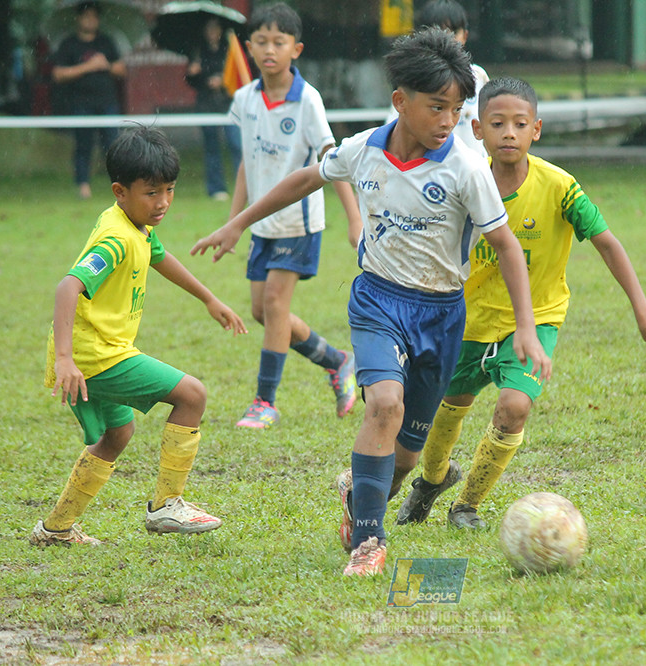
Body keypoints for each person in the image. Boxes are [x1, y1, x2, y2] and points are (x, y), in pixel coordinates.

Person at [191, 28, 551, 575]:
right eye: (436, 108)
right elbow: (307, 179)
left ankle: (362, 495)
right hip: (379, 300)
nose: (448, 121)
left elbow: (504, 245)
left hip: (442, 313)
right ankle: (369, 540)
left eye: (456, 109)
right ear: (400, 102)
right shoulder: (364, 149)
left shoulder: (466, 167)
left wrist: (526, 328)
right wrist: (236, 223)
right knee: (384, 402)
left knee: (407, 453)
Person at [394, 77, 646, 529]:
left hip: (536, 319)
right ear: (477, 128)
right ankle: (431, 481)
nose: (509, 132)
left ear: (536, 130)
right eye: (498, 123)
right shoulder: (462, 181)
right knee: (448, 406)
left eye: (520, 124)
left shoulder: (560, 187)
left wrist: (643, 311)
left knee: (515, 406)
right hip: (467, 319)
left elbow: (608, 244)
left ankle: (467, 505)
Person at [29, 125, 248, 547]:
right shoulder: (116, 238)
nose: (163, 202)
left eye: (169, 189)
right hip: (96, 355)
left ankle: (55, 528)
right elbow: (67, 286)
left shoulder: (135, 226)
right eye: (152, 192)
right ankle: (168, 504)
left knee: (119, 434)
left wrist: (209, 299)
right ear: (120, 190)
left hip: (98, 351)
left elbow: (159, 257)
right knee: (192, 395)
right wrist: (65, 359)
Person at [208, 3, 362, 430]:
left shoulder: (308, 99)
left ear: (296, 49)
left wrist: (354, 220)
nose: (269, 49)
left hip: (299, 221)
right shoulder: (244, 99)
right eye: (261, 41)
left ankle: (265, 401)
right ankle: (336, 360)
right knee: (262, 311)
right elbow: (246, 164)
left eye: (279, 42)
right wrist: (233, 222)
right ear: (249, 47)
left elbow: (333, 160)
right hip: (263, 224)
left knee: (275, 304)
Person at [385, 0, 488, 156]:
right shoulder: (416, 79)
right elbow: (395, 128)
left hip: (473, 171)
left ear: (465, 36)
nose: (445, 38)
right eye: (437, 31)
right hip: (433, 171)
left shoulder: (478, 76)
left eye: (452, 32)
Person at [52, 1, 127, 200]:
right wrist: (87, 67)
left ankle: (120, 187)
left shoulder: (106, 42)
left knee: (113, 146)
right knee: (83, 145)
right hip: (81, 103)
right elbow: (58, 74)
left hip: (107, 102)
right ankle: (83, 185)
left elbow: (121, 70)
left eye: (94, 16)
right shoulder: (69, 44)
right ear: (78, 19)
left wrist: (106, 65)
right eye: (86, 16)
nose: (90, 20)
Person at [186, 18, 242, 200]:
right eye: (209, 29)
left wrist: (222, 82)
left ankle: (242, 186)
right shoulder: (197, 51)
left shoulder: (230, 49)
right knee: (212, 147)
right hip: (206, 104)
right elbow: (191, 81)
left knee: (237, 144)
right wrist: (193, 74)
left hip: (228, 104)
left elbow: (236, 76)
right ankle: (216, 188)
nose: (212, 32)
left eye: (215, 28)